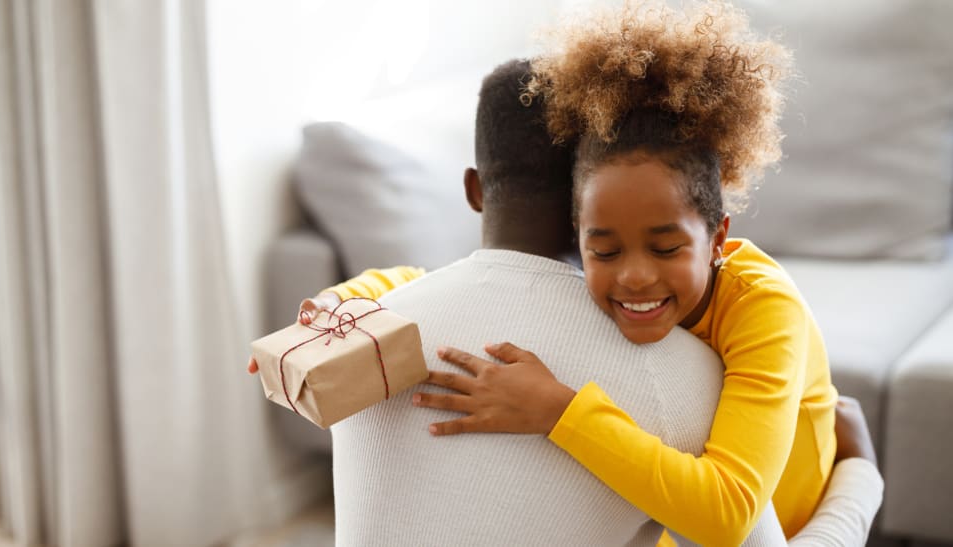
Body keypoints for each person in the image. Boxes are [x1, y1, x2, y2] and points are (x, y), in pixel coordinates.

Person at [249, 55, 882, 546]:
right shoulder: (672, 370)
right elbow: (428, 278)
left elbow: (725, 513)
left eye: (662, 247)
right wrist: (346, 299)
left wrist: (559, 410)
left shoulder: (753, 316)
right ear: (577, 218)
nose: (634, 278)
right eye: (605, 249)